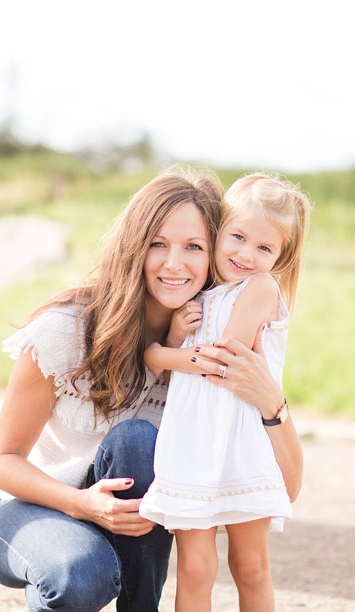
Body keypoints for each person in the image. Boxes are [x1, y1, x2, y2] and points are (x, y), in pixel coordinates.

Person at [0, 167, 293, 612]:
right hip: (26, 505)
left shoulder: (216, 334)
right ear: (133, 246)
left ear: (214, 253)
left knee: (140, 443)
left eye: (193, 246)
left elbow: (288, 487)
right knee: (81, 573)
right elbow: (0, 463)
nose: (174, 263)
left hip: (114, 506)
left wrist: (273, 402)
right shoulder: (66, 331)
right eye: (158, 243)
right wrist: (81, 504)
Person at [138, 173, 310, 612]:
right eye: (237, 237)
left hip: (243, 443)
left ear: (280, 258)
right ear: (219, 232)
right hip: (193, 442)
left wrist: (157, 354)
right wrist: (177, 334)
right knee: (195, 568)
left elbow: (220, 361)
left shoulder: (260, 287)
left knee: (249, 565)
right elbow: (191, 356)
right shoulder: (205, 293)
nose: (246, 254)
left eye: (264, 248)